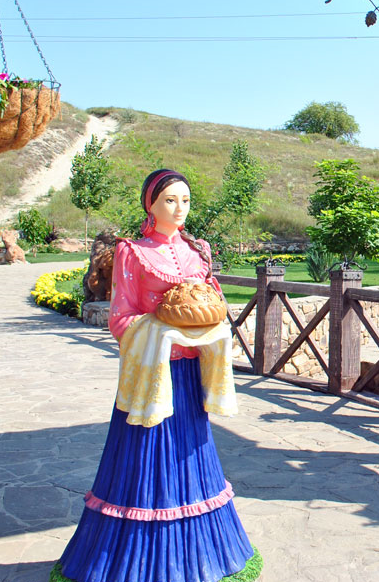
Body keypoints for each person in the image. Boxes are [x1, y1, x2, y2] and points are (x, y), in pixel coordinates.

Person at [58, 169, 255, 581]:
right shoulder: (132, 252)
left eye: (185, 200)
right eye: (169, 200)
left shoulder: (198, 252)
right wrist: (162, 329)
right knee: (145, 463)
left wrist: (207, 323)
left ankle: (203, 554)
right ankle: (130, 561)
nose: (179, 208)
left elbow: (210, 299)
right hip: (152, 380)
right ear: (151, 203)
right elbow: (120, 318)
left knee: (191, 457)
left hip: (187, 378)